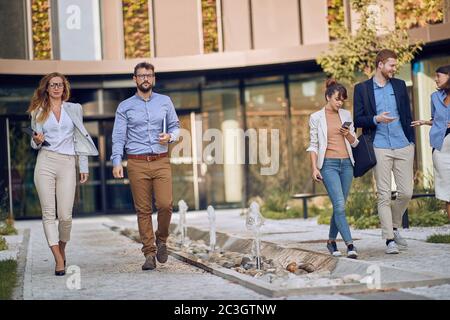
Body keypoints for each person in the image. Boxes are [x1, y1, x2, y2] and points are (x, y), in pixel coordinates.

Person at [111, 62, 180, 270]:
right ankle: (149, 253)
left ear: (154, 78)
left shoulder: (165, 102)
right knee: (143, 210)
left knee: (166, 204)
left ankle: (161, 240)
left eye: (149, 75)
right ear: (134, 79)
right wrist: (116, 161)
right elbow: (118, 137)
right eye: (141, 75)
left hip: (160, 160)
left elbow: (176, 127)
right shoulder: (125, 106)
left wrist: (170, 136)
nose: (145, 79)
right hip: (136, 162)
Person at [28, 72, 98, 276]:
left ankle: (62, 248)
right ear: (47, 89)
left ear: (64, 88)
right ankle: (58, 258)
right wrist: (38, 140)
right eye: (52, 85)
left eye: (60, 84)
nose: (56, 88)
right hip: (45, 162)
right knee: (49, 214)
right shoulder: (38, 111)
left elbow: (80, 138)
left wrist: (83, 166)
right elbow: (33, 142)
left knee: (65, 215)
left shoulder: (74, 109)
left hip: (68, 163)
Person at [353, 49, 415, 254]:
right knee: (383, 195)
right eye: (391, 65)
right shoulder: (362, 89)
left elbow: (407, 113)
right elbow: (358, 119)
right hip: (379, 146)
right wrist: (376, 119)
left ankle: (394, 226)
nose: (394, 69)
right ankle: (389, 239)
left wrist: (411, 141)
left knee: (406, 192)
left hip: (403, 144)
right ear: (380, 64)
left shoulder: (399, 85)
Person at [307, 79, 359, 259]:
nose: (340, 103)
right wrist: (314, 168)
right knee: (339, 205)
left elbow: (355, 142)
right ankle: (350, 245)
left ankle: (331, 241)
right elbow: (313, 145)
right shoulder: (316, 117)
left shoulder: (346, 115)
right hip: (328, 165)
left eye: (342, 100)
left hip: (347, 165)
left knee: (340, 207)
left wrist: (349, 135)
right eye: (337, 99)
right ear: (328, 97)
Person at [411, 64, 450, 221]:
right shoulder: (435, 97)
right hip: (441, 149)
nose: (435, 79)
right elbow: (436, 120)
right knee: (448, 193)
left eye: (438, 76)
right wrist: (425, 122)